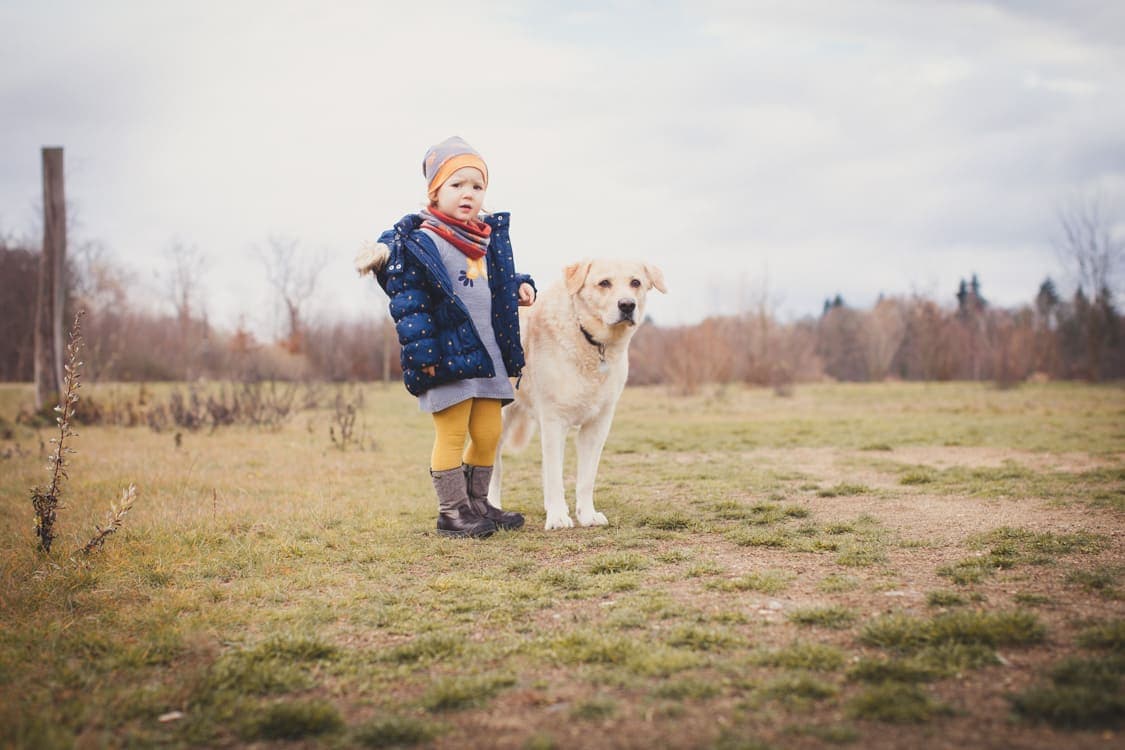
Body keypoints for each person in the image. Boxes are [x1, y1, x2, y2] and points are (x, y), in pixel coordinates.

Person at [355, 136, 536, 538]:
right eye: (457, 185)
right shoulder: (421, 243)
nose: (468, 193)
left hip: (489, 355)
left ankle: (478, 503)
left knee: (489, 432)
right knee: (452, 433)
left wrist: (520, 285)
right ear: (435, 191)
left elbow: (496, 282)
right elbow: (410, 305)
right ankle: (451, 511)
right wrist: (425, 355)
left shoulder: (486, 240)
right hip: (445, 354)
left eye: (477, 185)